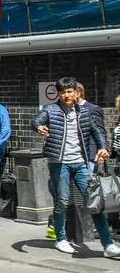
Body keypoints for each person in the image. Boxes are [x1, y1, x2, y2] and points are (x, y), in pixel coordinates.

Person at [33, 77, 118, 258]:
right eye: (63, 92)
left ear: (76, 93)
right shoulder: (50, 109)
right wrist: (38, 127)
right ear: (58, 94)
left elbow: (98, 131)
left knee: (94, 202)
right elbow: (37, 120)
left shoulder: (84, 112)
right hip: (59, 163)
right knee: (62, 201)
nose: (66, 95)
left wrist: (103, 147)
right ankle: (60, 239)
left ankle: (108, 244)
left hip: (81, 163)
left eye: (70, 92)